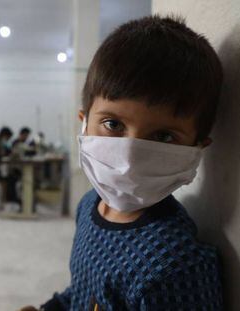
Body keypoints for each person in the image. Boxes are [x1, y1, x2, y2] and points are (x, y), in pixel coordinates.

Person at [20, 16, 223, 310]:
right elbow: (83, 294)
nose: (129, 156)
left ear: (197, 148)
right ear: (84, 124)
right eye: (113, 124)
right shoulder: (89, 205)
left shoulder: (176, 265)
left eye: (164, 136)